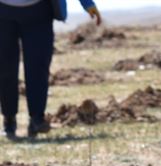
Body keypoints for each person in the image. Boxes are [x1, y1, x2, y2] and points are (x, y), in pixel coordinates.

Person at [0, 0, 101, 139]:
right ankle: (9, 119)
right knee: (5, 68)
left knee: (38, 67)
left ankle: (37, 119)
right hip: (3, 12)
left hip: (39, 11)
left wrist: (87, 3)